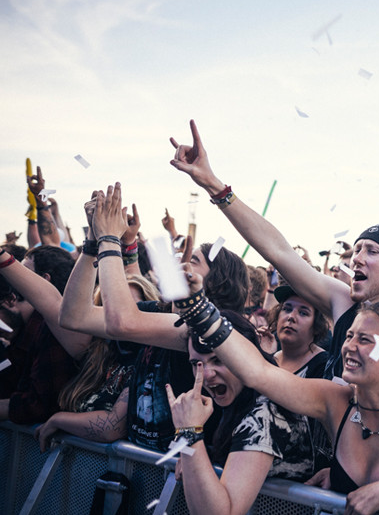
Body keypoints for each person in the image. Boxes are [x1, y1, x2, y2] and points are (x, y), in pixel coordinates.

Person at [173, 266, 379, 515]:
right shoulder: (335, 401)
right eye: (349, 335)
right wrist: (200, 310)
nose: (349, 347)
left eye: (365, 340)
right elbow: (258, 373)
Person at [167, 119, 379, 380]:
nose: (358, 258)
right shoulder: (345, 304)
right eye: (358, 249)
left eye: (373, 251)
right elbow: (279, 251)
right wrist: (214, 185)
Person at [59, 183, 247, 450]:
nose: (179, 262)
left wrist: (109, 240)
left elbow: (121, 322)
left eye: (193, 261)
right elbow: (74, 316)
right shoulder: (156, 313)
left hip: (178, 475)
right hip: (139, 467)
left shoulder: (208, 331)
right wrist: (91, 243)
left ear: (217, 282)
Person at [168, 312, 329, 515]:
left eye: (218, 360)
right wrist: (196, 459)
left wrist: (189, 435)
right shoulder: (236, 398)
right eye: (196, 364)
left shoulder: (265, 413)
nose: (207, 375)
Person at [34, 274, 161, 450]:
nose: (120, 316)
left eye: (132, 307)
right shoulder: (96, 352)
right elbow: (50, 303)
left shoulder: (152, 361)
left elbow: (112, 428)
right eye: (109, 309)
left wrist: (58, 420)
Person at [0, 245, 79, 423]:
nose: (16, 277)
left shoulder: (53, 329)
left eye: (24, 270)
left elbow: (39, 405)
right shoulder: (25, 331)